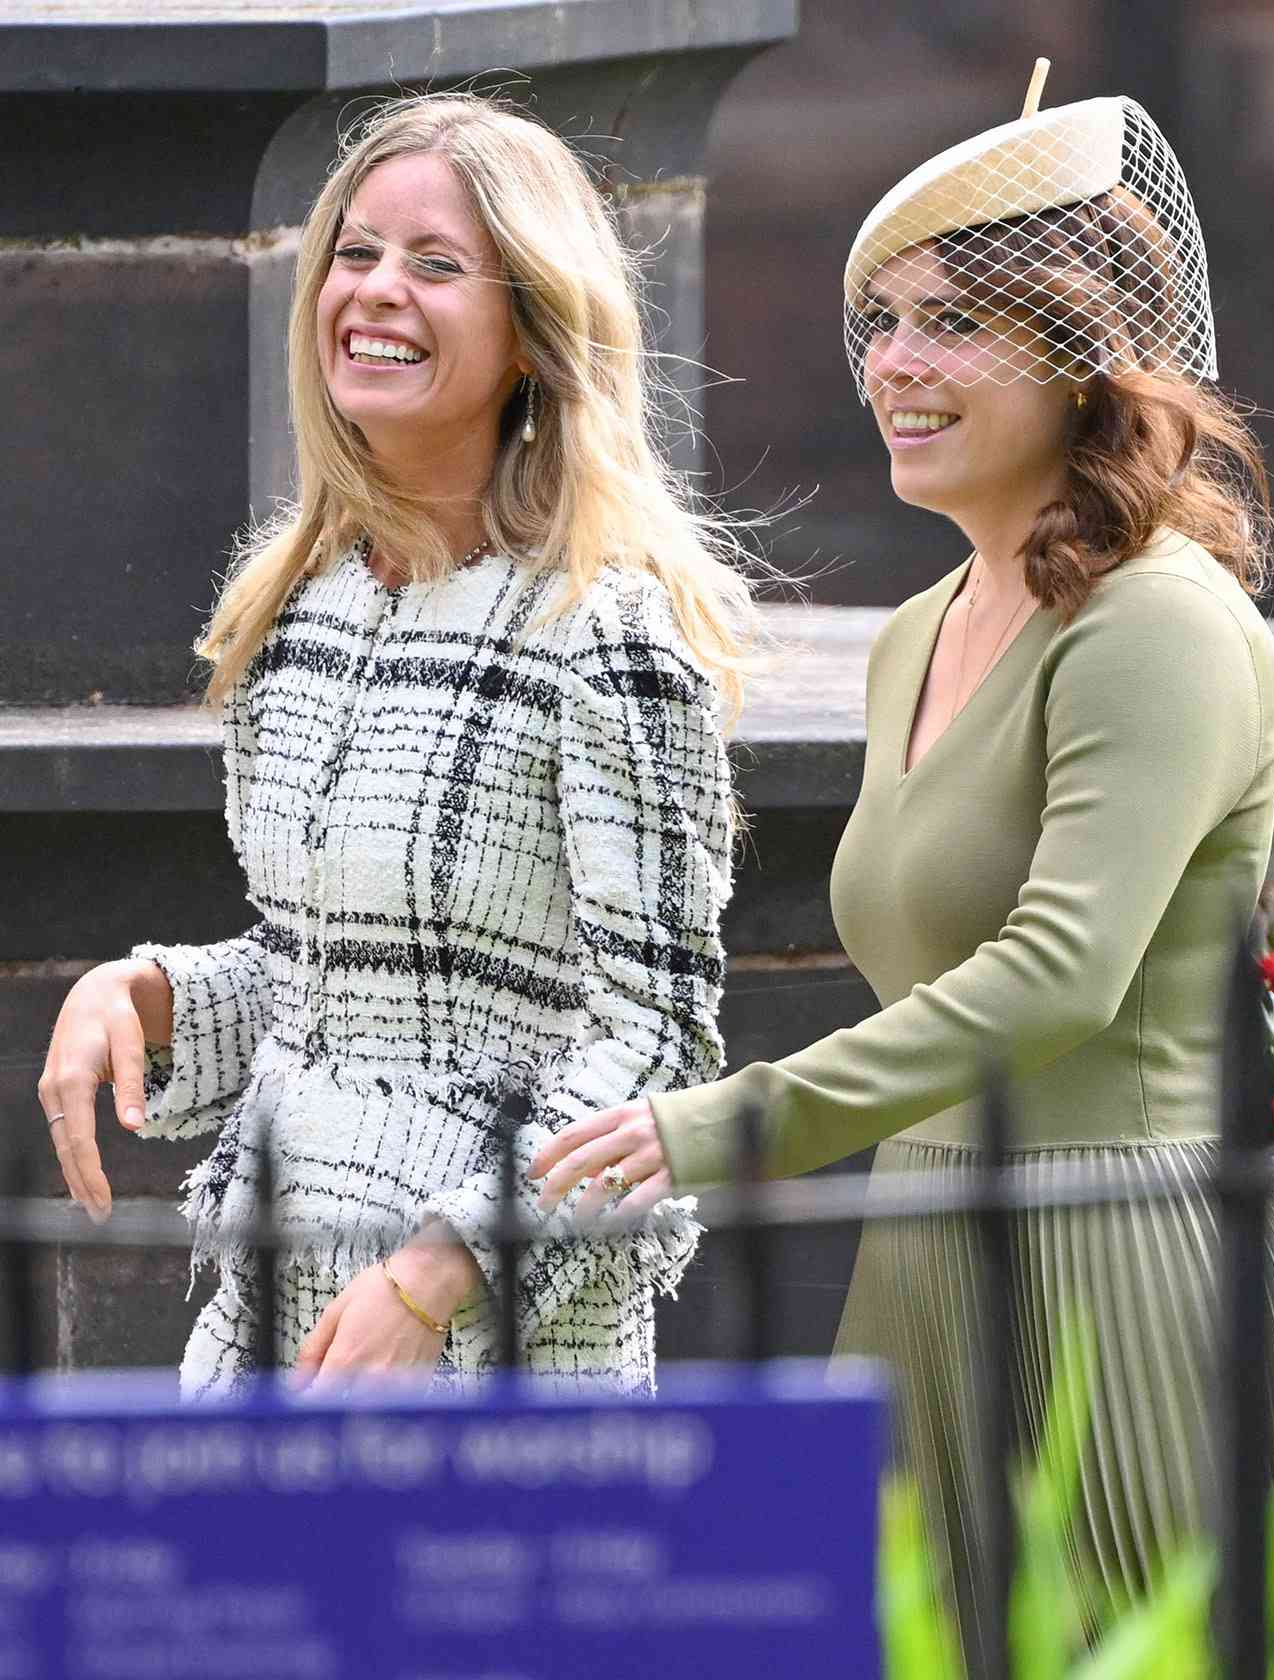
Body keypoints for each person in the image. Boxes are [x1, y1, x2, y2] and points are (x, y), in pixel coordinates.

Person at [531, 81, 1274, 1680]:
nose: (895, 368)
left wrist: (728, 1124)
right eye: (882, 326)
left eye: (954, 327)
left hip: (1136, 1281)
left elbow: (1061, 972)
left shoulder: (1160, 621)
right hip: (923, 1271)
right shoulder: (916, 629)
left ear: (1079, 353)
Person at [37, 94, 754, 1397]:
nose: (376, 292)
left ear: (534, 331)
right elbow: (332, 989)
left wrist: (440, 1276)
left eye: (435, 265)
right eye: (354, 253)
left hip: (507, 1360)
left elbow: (657, 1043)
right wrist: (142, 999)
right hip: (275, 1332)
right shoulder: (294, 605)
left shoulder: (609, 632)